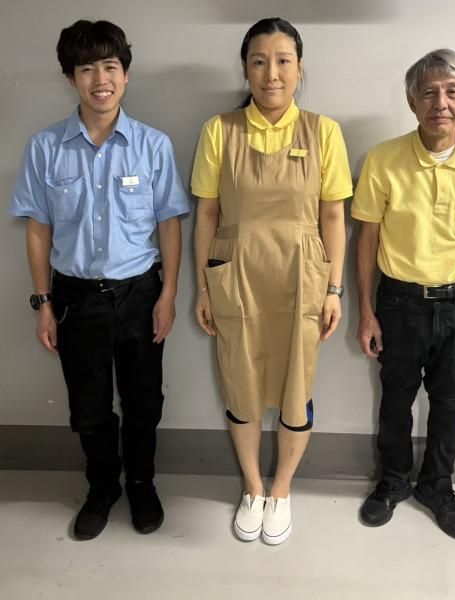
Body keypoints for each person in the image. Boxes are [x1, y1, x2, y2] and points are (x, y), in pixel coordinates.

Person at [9, 20, 191, 540]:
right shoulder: (45, 147)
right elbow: (38, 230)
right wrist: (44, 303)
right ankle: (102, 488)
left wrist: (168, 295)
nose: (100, 80)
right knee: (88, 408)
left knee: (143, 403)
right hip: (75, 298)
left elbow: (169, 224)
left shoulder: (152, 146)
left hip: (140, 294)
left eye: (110, 67)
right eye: (86, 69)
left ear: (126, 74)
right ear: (71, 78)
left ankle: (142, 484)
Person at [192, 17, 352, 545]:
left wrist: (334, 289)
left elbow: (333, 216)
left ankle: (282, 489)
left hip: (302, 276)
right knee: (239, 382)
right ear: (245, 69)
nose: (272, 74)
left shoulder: (323, 132)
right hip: (235, 273)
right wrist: (202, 287)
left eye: (284, 61)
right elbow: (207, 214)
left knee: (295, 386)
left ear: (300, 70)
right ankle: (253, 486)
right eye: (259, 62)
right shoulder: (220, 130)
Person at [352, 49, 455, 539]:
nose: (440, 103)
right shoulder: (383, 159)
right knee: (396, 396)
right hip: (399, 301)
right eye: (428, 93)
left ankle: (438, 485)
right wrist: (366, 311)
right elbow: (367, 239)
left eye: (451, 92)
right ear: (411, 101)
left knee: (450, 398)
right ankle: (393, 480)